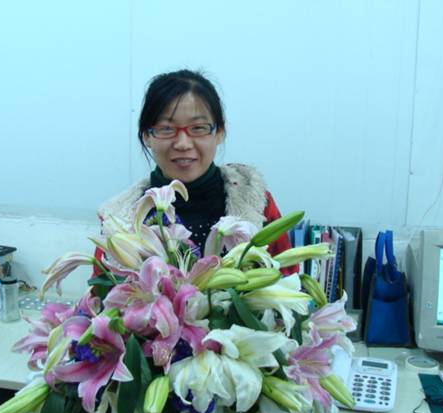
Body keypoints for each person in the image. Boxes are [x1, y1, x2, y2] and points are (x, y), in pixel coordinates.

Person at [93, 69, 296, 275]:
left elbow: (288, 280)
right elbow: (101, 293)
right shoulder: (119, 219)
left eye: (198, 128)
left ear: (219, 132)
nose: (183, 143)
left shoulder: (256, 202)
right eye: (166, 129)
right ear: (147, 136)